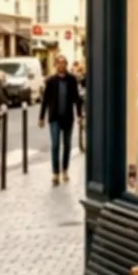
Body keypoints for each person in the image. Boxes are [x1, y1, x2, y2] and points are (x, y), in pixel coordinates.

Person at [39, 54, 84, 186]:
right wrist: (42, 117)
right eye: (58, 63)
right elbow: (45, 100)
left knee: (67, 145)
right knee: (55, 145)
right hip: (54, 118)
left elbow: (76, 99)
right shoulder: (51, 81)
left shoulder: (72, 80)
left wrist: (79, 115)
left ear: (66, 65)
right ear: (55, 65)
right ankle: (55, 173)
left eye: (63, 63)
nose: (61, 65)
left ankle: (65, 170)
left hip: (68, 118)